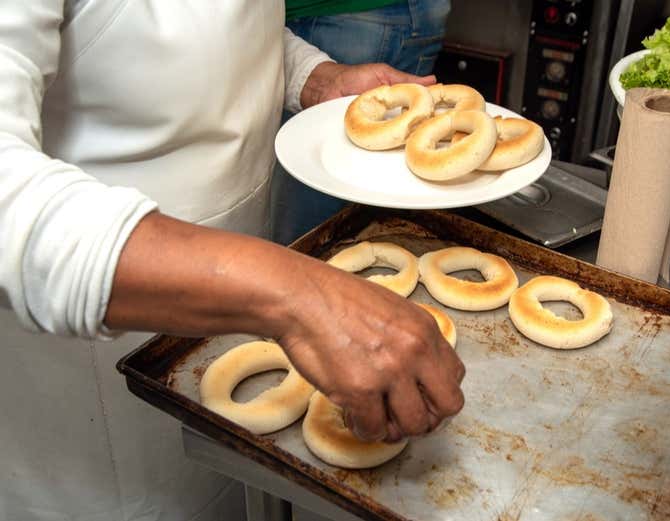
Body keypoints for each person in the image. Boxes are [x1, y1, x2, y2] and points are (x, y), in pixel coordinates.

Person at [0, 2, 465, 521]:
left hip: (244, 317)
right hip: (93, 376)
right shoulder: (283, 294)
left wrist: (313, 77)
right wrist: (296, 293)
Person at [272, 0, 451, 244]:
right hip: (412, 14)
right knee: (377, 192)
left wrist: (317, 82)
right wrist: (320, 83)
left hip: (341, 15)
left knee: (309, 230)